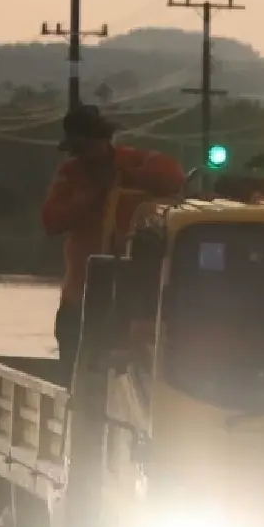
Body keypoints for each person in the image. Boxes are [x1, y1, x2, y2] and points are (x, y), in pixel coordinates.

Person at [42, 105, 184, 382]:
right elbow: (51, 220)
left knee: (131, 373)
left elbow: (174, 176)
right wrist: (93, 195)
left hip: (135, 297)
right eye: (78, 151)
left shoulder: (136, 162)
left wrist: (128, 177)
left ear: (104, 141)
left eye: (89, 148)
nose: (85, 157)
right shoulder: (70, 174)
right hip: (81, 295)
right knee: (78, 372)